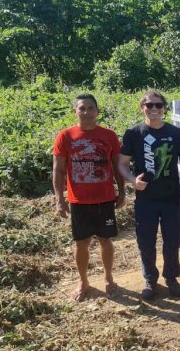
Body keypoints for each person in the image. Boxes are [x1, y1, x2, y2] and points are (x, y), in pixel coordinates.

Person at [52, 93, 125, 302]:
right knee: (81, 243)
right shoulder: (65, 136)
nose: (86, 112)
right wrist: (59, 199)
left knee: (106, 240)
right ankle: (83, 281)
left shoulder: (109, 136)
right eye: (82, 108)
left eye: (91, 108)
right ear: (75, 111)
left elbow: (117, 166)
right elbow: (58, 170)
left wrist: (122, 191)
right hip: (78, 201)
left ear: (97, 111)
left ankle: (109, 278)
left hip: (105, 199)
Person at [118, 91, 180, 301]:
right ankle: (150, 279)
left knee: (172, 240)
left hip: (171, 197)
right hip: (145, 199)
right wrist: (133, 182)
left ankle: (171, 277)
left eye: (158, 105)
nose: (154, 109)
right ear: (142, 108)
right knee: (146, 241)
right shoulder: (134, 133)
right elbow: (122, 164)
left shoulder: (176, 133)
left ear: (164, 108)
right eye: (149, 105)